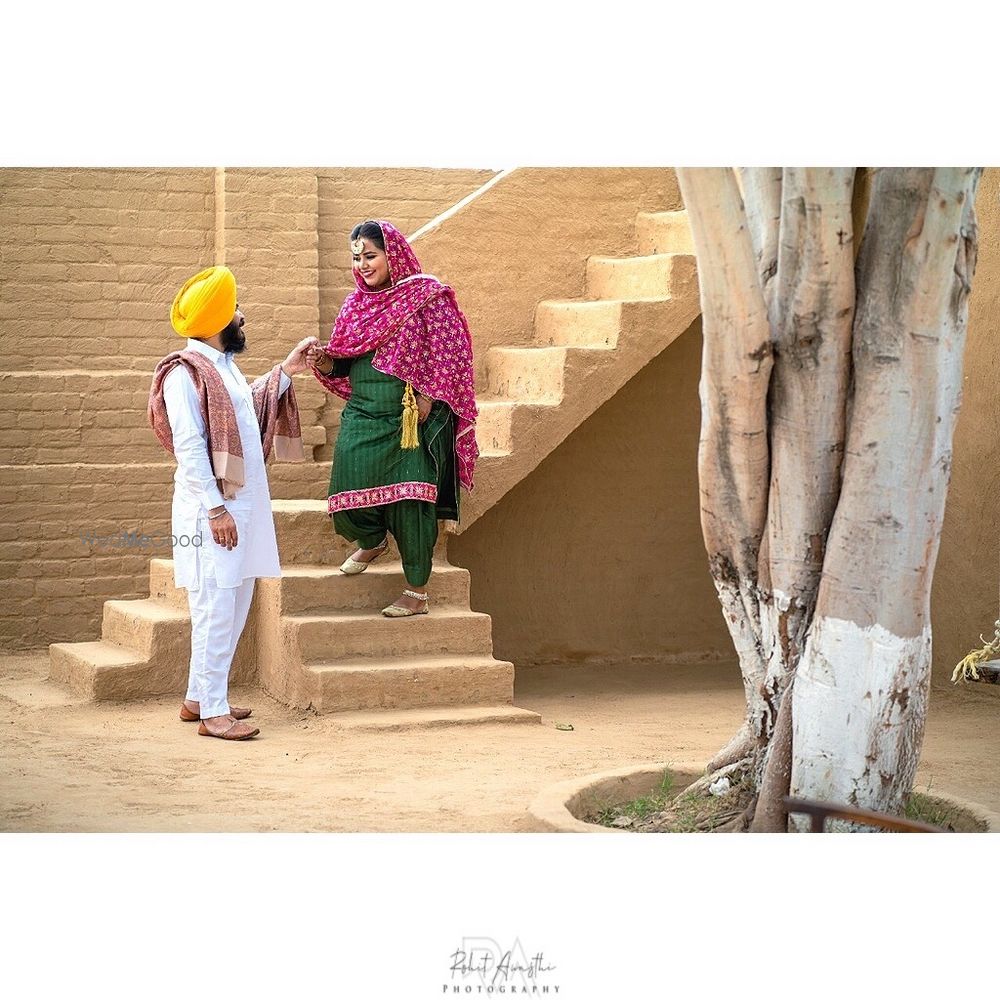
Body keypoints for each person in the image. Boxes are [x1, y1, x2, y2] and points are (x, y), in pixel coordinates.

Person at [148, 265, 318, 740]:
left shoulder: (224, 369)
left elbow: (252, 409)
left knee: (234, 603)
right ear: (221, 319)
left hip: (241, 509)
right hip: (213, 512)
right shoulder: (185, 373)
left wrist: (287, 370)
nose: (243, 317)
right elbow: (189, 445)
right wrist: (216, 509)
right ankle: (213, 714)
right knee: (216, 607)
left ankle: (198, 697)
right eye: (236, 310)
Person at [306, 220, 479, 617]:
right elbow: (343, 364)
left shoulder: (426, 297)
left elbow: (451, 351)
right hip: (362, 414)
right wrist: (325, 359)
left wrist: (427, 394)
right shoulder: (354, 305)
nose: (362, 265)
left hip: (407, 420)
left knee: (410, 503)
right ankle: (371, 539)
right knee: (345, 494)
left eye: (370, 255)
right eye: (356, 258)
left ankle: (416, 593)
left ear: (393, 254)